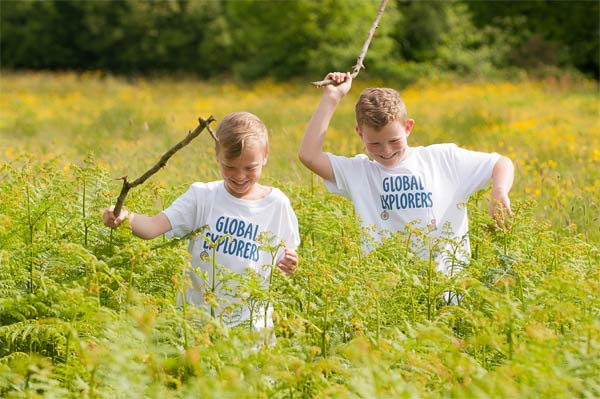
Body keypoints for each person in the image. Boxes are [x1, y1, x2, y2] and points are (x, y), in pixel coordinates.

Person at [299, 72, 514, 275]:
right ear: (359, 134)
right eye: (374, 143)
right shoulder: (359, 172)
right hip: (387, 292)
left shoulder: (442, 159)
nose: (386, 151)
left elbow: (501, 163)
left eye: (394, 141)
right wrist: (332, 97)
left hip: (447, 288)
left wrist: (499, 191)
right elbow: (308, 155)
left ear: (408, 127)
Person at [104, 111, 300, 330]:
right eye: (230, 166)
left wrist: (289, 265)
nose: (240, 176)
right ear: (217, 156)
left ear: (265, 156)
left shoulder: (277, 204)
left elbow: (282, 263)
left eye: (250, 168)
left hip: (252, 328)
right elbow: (151, 227)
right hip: (197, 326)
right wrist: (123, 215)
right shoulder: (202, 197)